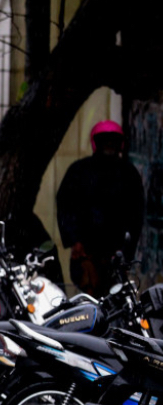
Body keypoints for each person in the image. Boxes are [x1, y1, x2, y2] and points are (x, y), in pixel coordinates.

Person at [56, 120, 145, 297]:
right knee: (90, 295)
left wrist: (127, 251)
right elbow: (65, 206)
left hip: (116, 253)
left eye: (113, 140)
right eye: (105, 140)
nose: (109, 145)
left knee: (115, 297)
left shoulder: (129, 173)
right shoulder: (79, 171)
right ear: (96, 142)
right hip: (86, 253)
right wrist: (74, 241)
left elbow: (136, 215)